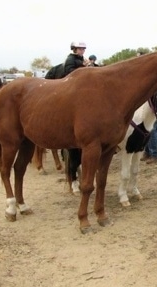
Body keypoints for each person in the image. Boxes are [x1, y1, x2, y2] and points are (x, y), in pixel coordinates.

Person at [64, 41, 88, 194]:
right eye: (80, 48)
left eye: (83, 48)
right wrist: (85, 68)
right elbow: (71, 74)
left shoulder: (81, 60)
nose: (82, 50)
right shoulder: (71, 60)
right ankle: (72, 177)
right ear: (74, 49)